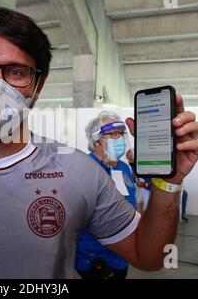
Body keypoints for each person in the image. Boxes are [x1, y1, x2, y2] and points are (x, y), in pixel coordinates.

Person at [0, 7, 198, 279]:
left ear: (37, 86)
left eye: (16, 72)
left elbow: (147, 256)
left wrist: (168, 183)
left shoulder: (78, 172)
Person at [75, 112, 137, 279]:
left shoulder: (123, 167)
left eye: (121, 134)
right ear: (96, 140)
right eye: (113, 134)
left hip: (123, 256)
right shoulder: (85, 167)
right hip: (94, 258)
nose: (120, 139)